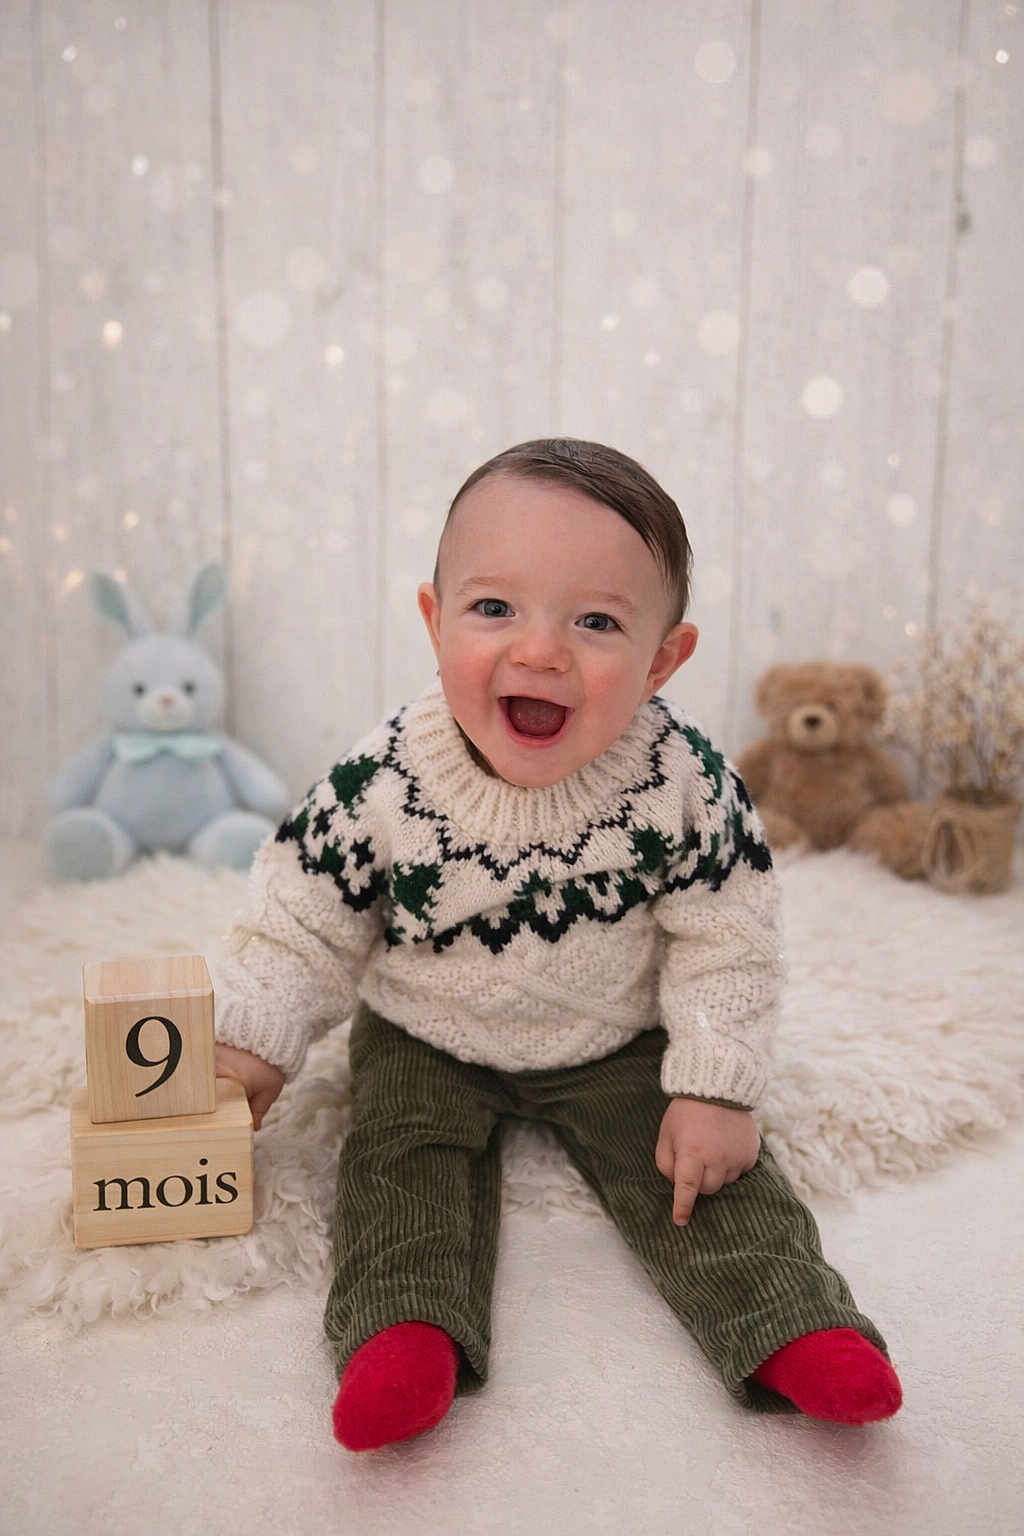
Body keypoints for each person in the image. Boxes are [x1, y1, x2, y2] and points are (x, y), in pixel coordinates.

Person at [214, 438, 903, 1451]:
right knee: (398, 1163)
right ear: (432, 619)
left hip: (613, 1033)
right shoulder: (382, 781)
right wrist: (252, 1041)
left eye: (595, 621)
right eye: (494, 608)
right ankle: (403, 1327)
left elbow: (729, 935)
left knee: (700, 1172)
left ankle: (788, 1320)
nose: (540, 652)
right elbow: (302, 916)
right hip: (426, 1027)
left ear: (664, 658)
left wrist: (714, 1082)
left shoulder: (684, 783)